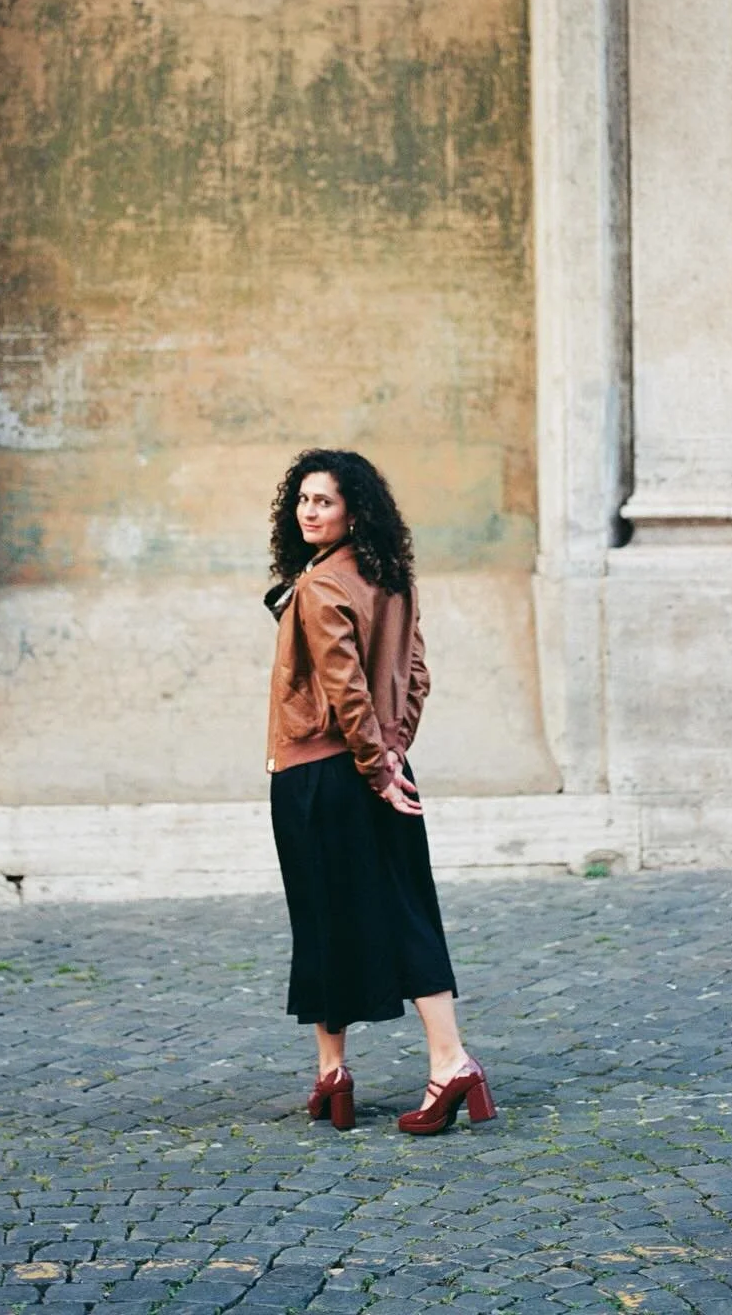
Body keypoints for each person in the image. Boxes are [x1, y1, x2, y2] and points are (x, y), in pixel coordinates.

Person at [264, 447, 497, 1136]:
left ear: (353, 510)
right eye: (303, 500)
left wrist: (374, 765)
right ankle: (361, 1069)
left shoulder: (321, 588)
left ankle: (413, 1065)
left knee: (327, 917)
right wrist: (394, 755)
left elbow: (344, 688)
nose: (309, 511)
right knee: (398, 910)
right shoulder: (391, 578)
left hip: (318, 774)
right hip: (379, 766)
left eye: (324, 501)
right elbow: (416, 673)